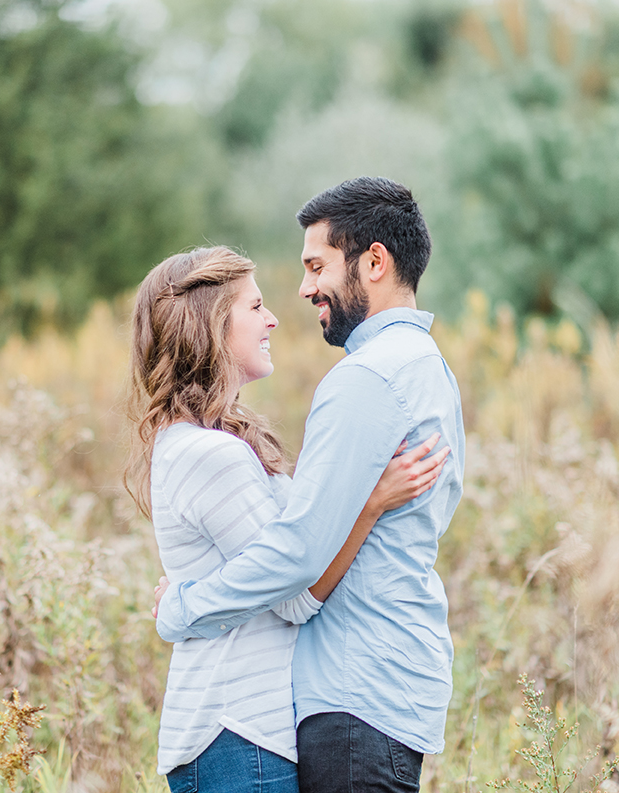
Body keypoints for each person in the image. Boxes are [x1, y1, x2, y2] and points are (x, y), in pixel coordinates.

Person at [154, 177, 466, 793]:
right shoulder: (428, 367)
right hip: (387, 682)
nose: (303, 289)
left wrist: (183, 605)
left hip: (355, 688)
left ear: (374, 261)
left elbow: (297, 552)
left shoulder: (366, 378)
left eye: (317, 265)